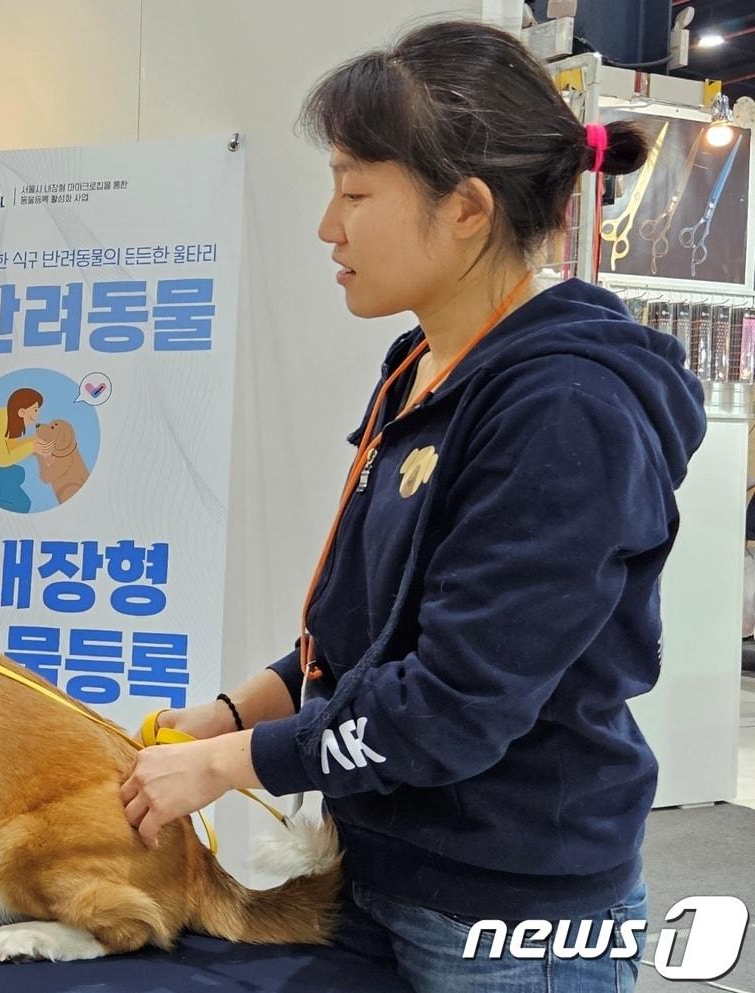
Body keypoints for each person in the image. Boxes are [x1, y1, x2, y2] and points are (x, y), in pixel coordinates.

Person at [119, 21, 705, 993]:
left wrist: (233, 763)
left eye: (354, 192)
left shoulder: (564, 413)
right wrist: (227, 713)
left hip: (508, 905)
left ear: (466, 209)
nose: (326, 227)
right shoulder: (419, 367)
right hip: (377, 867)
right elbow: (359, 634)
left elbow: (450, 708)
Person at [0, 386, 50, 512]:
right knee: (23, 501)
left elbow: (9, 446)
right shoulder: (0, 419)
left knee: (18, 473)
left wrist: (31, 442)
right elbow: (2, 459)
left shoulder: (8, 418)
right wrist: (31, 446)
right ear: (22, 412)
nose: (37, 415)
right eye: (35, 410)